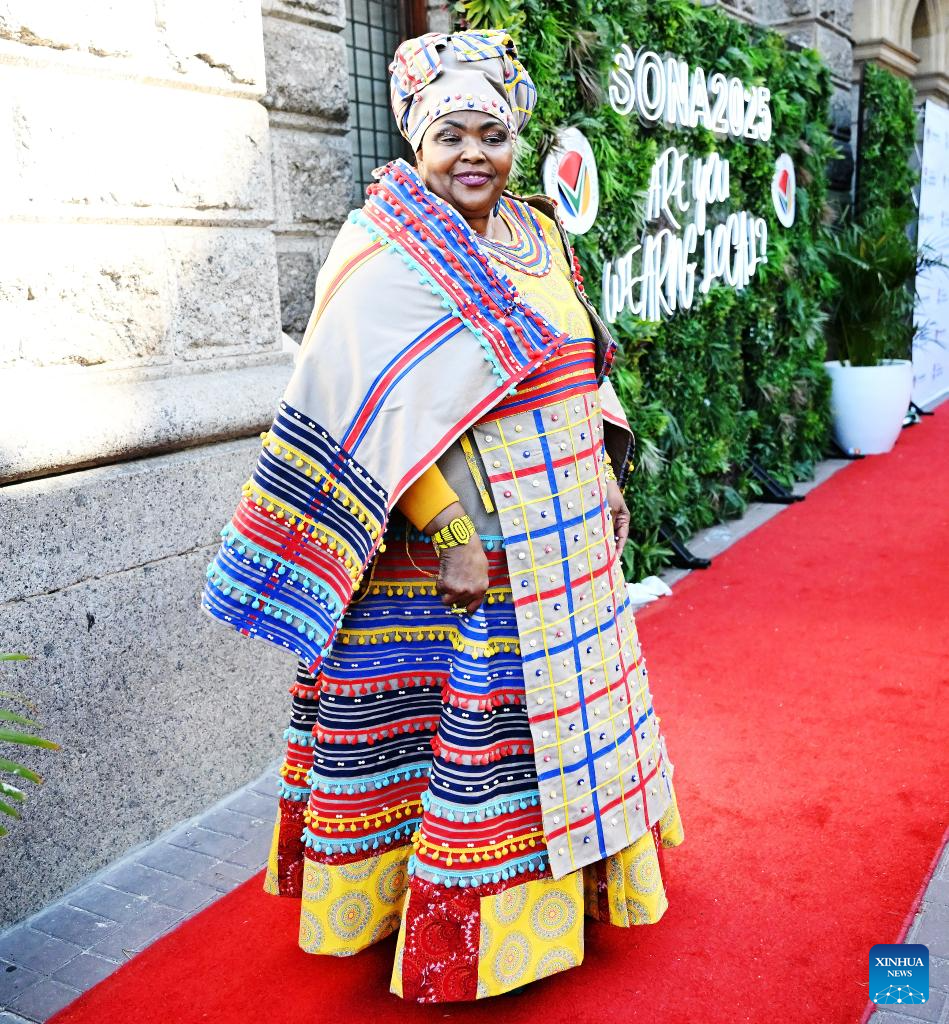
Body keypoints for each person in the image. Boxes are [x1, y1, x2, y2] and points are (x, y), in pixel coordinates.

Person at [203, 29, 683, 1004]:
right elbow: (365, 412)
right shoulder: (387, 252)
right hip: (471, 549)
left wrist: (605, 467)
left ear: (516, 143)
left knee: (561, 724)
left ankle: (573, 896)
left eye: (492, 135)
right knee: (477, 739)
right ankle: (469, 939)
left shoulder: (541, 233)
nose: (474, 154)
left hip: (569, 538)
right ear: (416, 142)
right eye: (450, 135)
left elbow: (582, 359)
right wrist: (453, 535)